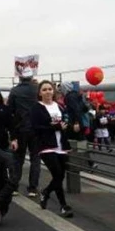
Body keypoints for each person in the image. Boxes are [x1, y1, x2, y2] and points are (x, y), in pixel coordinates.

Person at [30, 80, 73, 218]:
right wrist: (56, 127)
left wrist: (70, 126)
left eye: (49, 89)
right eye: (44, 89)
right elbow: (36, 127)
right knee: (58, 174)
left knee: (60, 176)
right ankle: (63, 205)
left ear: (53, 91)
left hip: (62, 145)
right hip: (46, 146)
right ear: (40, 93)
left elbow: (65, 122)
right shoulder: (36, 108)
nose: (48, 91)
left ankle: (47, 193)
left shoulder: (59, 106)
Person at [7, 71, 40, 197]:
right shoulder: (37, 89)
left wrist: (12, 133)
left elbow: (10, 111)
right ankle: (32, 188)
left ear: (19, 77)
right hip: (36, 129)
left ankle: (14, 186)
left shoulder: (14, 91)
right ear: (31, 77)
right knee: (35, 159)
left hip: (20, 129)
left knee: (18, 159)